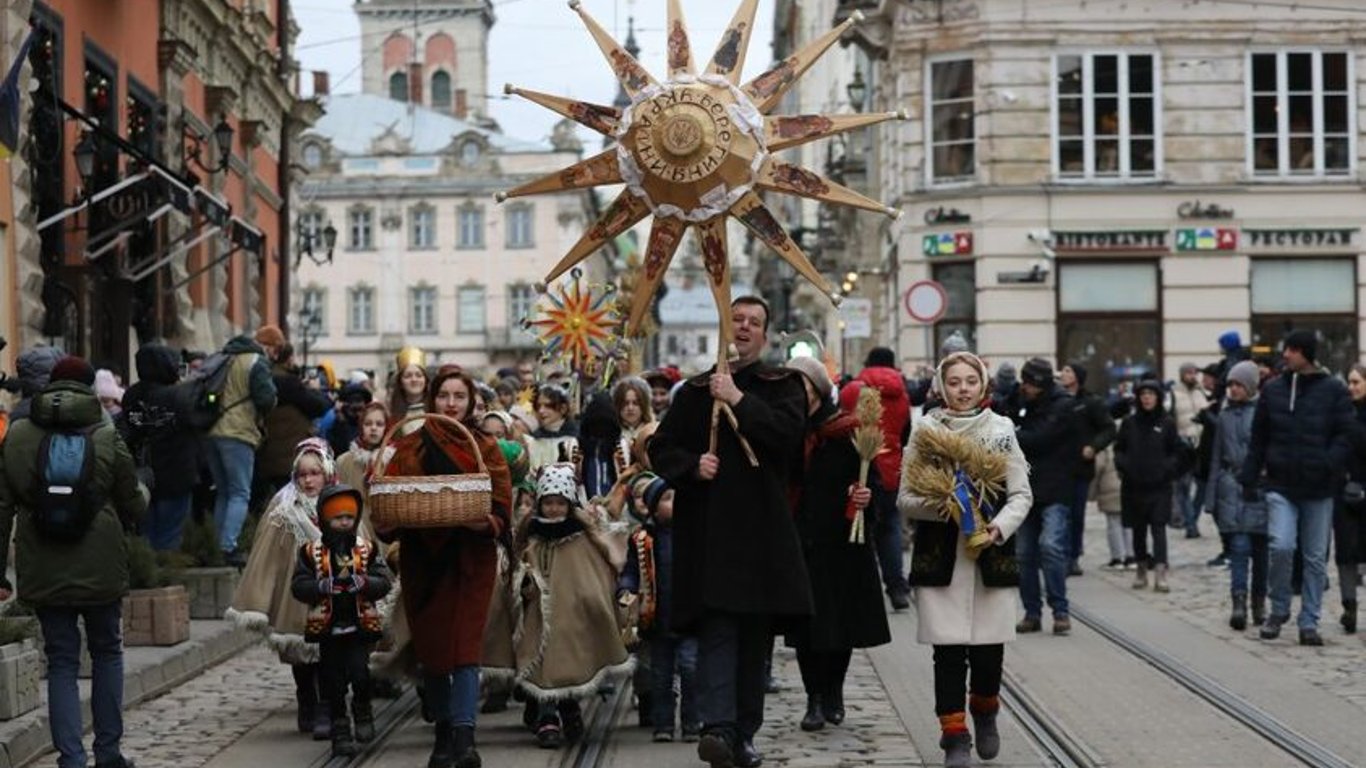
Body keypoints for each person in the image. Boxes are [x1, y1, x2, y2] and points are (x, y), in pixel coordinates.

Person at [648, 296, 811, 768]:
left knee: (754, 638)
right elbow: (660, 447)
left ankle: (743, 731)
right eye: (736, 320)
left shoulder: (783, 385)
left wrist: (738, 398)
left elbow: (786, 436)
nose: (743, 327)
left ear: (765, 333)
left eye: (753, 322)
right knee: (718, 630)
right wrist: (691, 465)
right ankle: (716, 727)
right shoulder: (696, 392)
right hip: (712, 533)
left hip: (762, 534)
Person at [0, 356, 147, 768]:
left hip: (43, 559)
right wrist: (145, 490)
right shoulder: (105, 431)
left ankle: (70, 758)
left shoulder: (17, 435)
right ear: (88, 386)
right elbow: (133, 502)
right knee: (107, 652)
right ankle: (108, 752)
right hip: (99, 558)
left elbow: (1, 508)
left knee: (61, 659)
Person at [896, 351, 1032, 768]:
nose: (962, 389)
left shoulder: (1000, 430)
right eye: (954, 382)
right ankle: (954, 735)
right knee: (949, 654)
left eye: (970, 381)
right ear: (941, 386)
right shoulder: (925, 432)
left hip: (990, 555)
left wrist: (998, 528)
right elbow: (905, 499)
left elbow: (1021, 494)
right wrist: (943, 505)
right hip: (942, 557)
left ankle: (985, 709)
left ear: (983, 385)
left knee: (989, 653)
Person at [378, 366, 511, 768]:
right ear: (432, 399)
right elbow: (388, 506)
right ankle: (441, 735)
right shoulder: (409, 446)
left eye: (459, 397)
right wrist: (387, 524)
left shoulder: (484, 446)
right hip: (425, 560)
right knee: (434, 647)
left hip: (471, 558)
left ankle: (465, 737)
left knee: (465, 647)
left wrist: (485, 522)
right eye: (444, 396)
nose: (451, 404)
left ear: (471, 402)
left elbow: (500, 505)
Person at [785, 364, 889, 733]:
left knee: (840, 624)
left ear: (816, 389)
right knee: (807, 628)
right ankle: (813, 698)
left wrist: (865, 495)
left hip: (844, 540)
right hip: (802, 539)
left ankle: (834, 692)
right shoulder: (788, 431)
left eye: (804, 387)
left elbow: (873, 479)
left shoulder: (847, 431)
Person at [1240, 331, 1354, 646]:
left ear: (1305, 353)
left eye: (1291, 350)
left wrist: (1329, 462)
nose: (1285, 355)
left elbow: (1347, 435)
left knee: (1315, 557)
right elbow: (1259, 438)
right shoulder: (1273, 390)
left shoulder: (1334, 390)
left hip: (1319, 488)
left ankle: (1309, 621)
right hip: (1281, 484)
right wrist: (1249, 477)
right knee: (1281, 545)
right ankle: (1279, 609)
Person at [513, 462, 630, 748]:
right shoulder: (533, 533)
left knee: (570, 662)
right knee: (541, 663)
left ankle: (570, 710)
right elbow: (518, 564)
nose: (553, 509)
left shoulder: (580, 535)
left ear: (569, 504)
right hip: (537, 612)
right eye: (548, 503)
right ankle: (547, 717)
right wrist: (523, 584)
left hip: (571, 614)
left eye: (559, 503)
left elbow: (593, 571)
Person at [229, 438, 335, 739]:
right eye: (302, 474)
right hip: (297, 590)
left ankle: (327, 707)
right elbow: (266, 556)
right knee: (299, 650)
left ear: (326, 472)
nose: (308, 480)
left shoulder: (339, 500)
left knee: (330, 651)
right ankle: (307, 700)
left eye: (315, 473)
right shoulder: (283, 508)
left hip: (332, 588)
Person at [291, 484, 393, 756]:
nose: (344, 523)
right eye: (337, 518)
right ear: (325, 519)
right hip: (328, 629)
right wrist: (320, 588)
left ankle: (362, 709)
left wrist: (366, 583)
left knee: (361, 674)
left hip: (359, 627)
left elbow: (385, 581)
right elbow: (298, 585)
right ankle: (340, 729)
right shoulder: (309, 552)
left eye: (349, 517)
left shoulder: (367, 550)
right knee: (332, 682)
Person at [619, 472, 699, 743]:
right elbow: (631, 570)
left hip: (689, 617)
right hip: (657, 618)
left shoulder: (694, 534)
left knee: (690, 668)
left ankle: (692, 721)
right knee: (660, 676)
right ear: (653, 507)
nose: (674, 503)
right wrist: (626, 588)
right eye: (666, 499)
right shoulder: (642, 538)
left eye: (677, 497)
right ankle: (663, 723)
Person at [1013, 358, 1078, 635]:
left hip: (1056, 488)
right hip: (1026, 489)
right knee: (1024, 554)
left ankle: (1060, 610)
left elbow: (1040, 438)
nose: (1024, 387)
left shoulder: (1062, 405)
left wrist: (1015, 433)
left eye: (1029, 383)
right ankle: (1032, 612)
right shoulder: (1022, 400)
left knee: (1050, 547)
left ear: (1039, 384)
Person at [206, 327, 279, 565]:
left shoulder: (224, 356)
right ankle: (228, 547)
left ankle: (217, 547)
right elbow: (266, 399)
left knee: (224, 492)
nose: (274, 355)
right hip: (238, 432)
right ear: (268, 345)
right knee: (239, 492)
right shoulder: (255, 361)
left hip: (212, 431)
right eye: (275, 349)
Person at [1206, 361, 1269, 630]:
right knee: (1239, 549)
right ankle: (1239, 602)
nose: (1233, 389)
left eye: (1238, 384)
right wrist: (1211, 496)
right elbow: (1216, 457)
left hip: (1260, 488)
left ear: (1251, 385)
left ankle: (1258, 602)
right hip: (1231, 489)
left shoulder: (1265, 413)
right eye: (1230, 385)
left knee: (1262, 553)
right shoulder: (1224, 417)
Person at [121, 343, 200, 551]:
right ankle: (166, 572)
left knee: (146, 533)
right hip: (176, 473)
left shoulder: (131, 395)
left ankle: (148, 573)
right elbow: (196, 422)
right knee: (170, 535)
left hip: (143, 474)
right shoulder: (177, 395)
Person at [854, 347, 913, 609]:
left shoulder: (858, 388)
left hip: (864, 466)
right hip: (891, 469)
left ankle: (864, 593)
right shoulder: (901, 393)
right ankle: (897, 589)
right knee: (890, 528)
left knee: (861, 530)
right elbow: (906, 433)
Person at [1115, 380, 1183, 593]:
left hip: (1160, 486)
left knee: (1159, 527)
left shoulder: (1167, 422)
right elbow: (1119, 449)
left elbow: (1176, 451)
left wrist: (1167, 468)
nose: (1147, 397)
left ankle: (1161, 573)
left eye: (1151, 393)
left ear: (1158, 397)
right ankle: (1141, 570)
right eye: (1143, 393)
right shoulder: (1129, 423)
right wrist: (1125, 465)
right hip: (1134, 485)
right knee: (1138, 530)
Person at [258, 341, 334, 507]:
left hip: (268, 451)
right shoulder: (289, 382)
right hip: (288, 453)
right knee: (292, 502)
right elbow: (318, 406)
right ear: (290, 358)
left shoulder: (265, 379)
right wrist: (314, 390)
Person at [1059, 362, 1117, 576]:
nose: (1063, 374)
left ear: (1077, 377)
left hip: (1079, 468)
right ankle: (1057, 554)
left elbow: (1109, 428)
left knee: (1075, 514)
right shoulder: (1056, 399)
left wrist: (1094, 446)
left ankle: (1073, 556)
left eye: (1067, 371)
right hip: (1056, 468)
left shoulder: (1091, 402)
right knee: (1056, 513)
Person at [1337, 364, 1366, 635]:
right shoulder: (1343, 414)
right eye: (1350, 382)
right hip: (1345, 491)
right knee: (1345, 552)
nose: (1352, 387)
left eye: (1356, 382)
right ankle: (1349, 606)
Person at [1170, 363, 1210, 537]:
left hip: (1201, 444)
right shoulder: (1173, 394)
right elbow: (1170, 418)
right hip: (1182, 444)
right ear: (1181, 375)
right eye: (1188, 373)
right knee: (1183, 487)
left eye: (1194, 373)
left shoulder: (1201, 393)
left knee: (1202, 486)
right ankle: (1191, 525)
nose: (1192, 376)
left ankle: (1191, 517)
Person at [1091, 442, 1134, 569]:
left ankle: (1117, 558)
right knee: (1129, 524)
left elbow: (1097, 468)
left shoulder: (1105, 448)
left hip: (1109, 489)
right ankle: (1131, 556)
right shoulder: (1130, 443)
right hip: (1129, 487)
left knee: (1113, 524)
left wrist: (1092, 492)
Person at [529, 383, 580, 471]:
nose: (541, 411)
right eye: (538, 406)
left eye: (548, 406)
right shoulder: (534, 440)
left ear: (563, 408)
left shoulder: (577, 438)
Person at [386, 346, 429, 437]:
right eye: (408, 376)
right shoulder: (391, 415)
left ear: (425, 380)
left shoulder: (436, 409)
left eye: (419, 375)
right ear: (400, 382)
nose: (414, 379)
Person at [327, 383, 375, 458]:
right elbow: (341, 449)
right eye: (354, 409)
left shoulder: (371, 425)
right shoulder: (337, 424)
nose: (358, 413)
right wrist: (341, 421)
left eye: (360, 409)